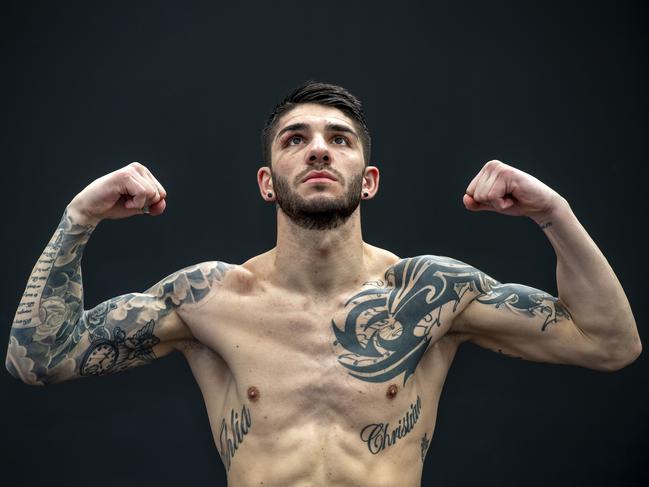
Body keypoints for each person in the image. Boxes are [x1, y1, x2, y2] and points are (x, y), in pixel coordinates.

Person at [6, 81, 641, 487]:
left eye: (339, 140)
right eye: (296, 139)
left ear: (368, 180)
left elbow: (610, 342)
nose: (318, 150)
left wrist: (552, 212)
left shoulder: (429, 295)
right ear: (266, 180)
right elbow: (39, 360)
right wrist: (80, 217)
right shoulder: (209, 299)